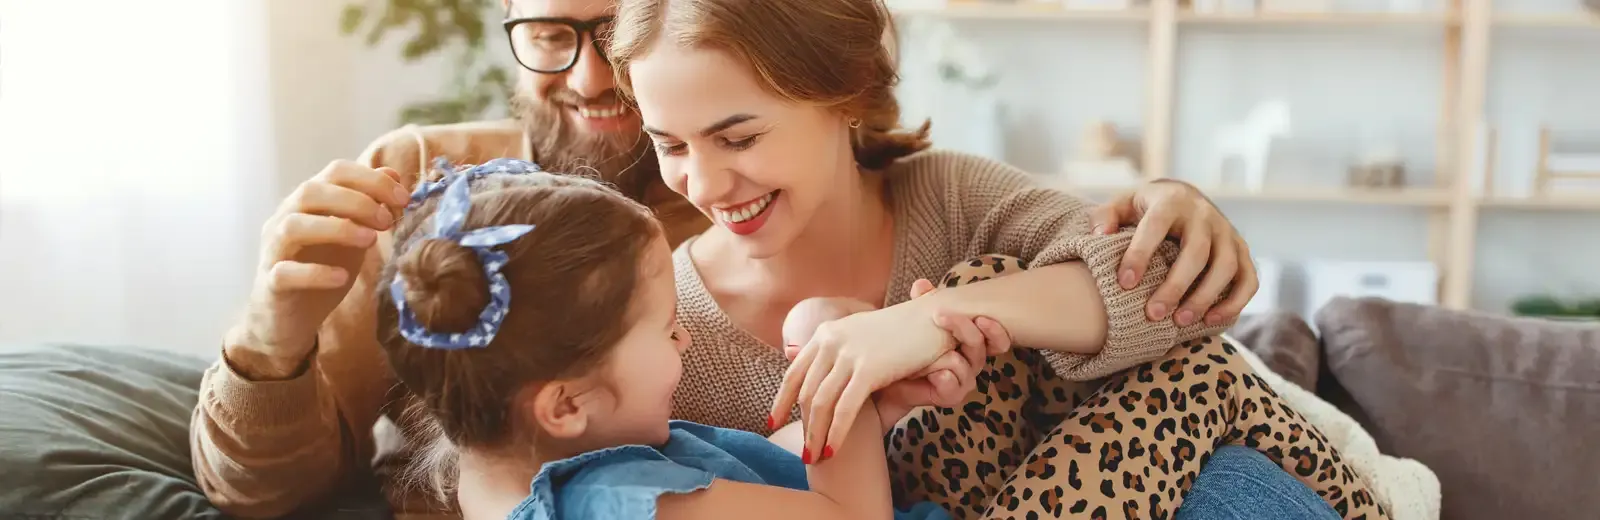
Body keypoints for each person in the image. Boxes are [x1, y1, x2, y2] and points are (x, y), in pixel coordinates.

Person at [189, 0, 1259, 517]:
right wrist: (266, 341)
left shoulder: (936, 192)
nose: (592, 76)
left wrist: (910, 328)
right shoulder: (518, 256)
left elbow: (1161, 297)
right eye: (549, 32)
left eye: (613, 26)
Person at [604, 0, 1386, 517]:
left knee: (1234, 487)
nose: (702, 183)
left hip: (1191, 485)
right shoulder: (665, 330)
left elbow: (1156, 301)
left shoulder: (949, 198)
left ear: (841, 95)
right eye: (670, 145)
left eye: (739, 137)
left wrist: (928, 318)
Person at [376, 160, 993, 520]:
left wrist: (863, 400)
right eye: (667, 326)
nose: (687, 337)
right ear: (564, 404)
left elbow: (755, 492)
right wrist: (832, 336)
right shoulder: (627, 503)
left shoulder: (506, 470)